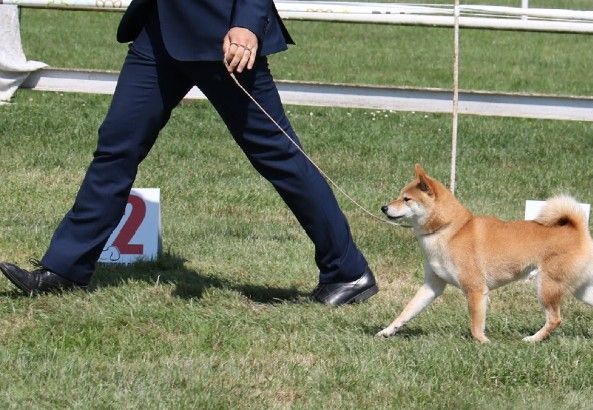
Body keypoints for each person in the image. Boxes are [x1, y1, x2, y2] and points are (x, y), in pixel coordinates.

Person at [0, 0, 378, 306]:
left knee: (278, 156)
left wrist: (247, 22)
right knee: (116, 147)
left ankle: (347, 271)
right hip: (158, 32)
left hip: (225, 37)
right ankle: (64, 269)